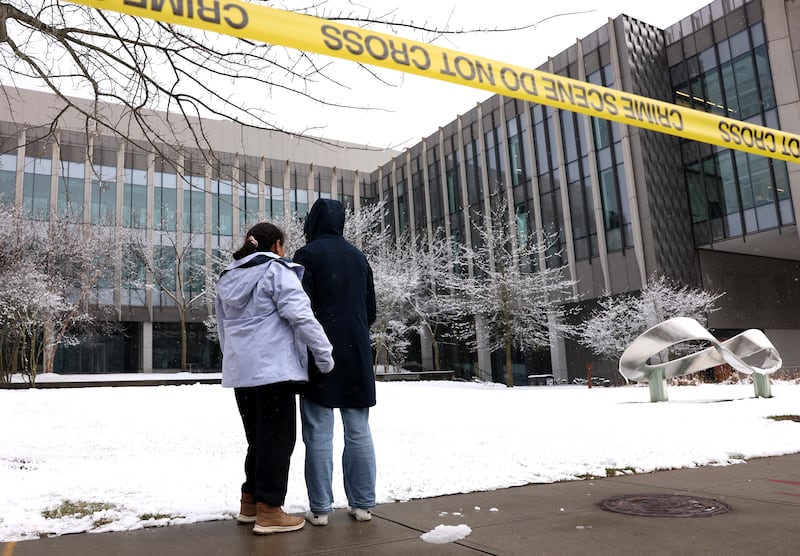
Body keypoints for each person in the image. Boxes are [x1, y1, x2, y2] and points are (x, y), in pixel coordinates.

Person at [216, 222, 334, 535]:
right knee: (278, 439)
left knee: (258, 438)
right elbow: (301, 316)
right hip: (274, 369)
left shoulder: (228, 277)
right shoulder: (276, 271)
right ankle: (270, 511)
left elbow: (223, 328)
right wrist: (324, 356)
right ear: (278, 245)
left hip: (243, 371)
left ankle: (250, 502)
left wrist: (236, 361)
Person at [293, 198, 377, 526]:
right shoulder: (358, 257)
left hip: (319, 350)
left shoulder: (306, 255)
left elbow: (300, 308)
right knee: (358, 429)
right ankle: (363, 504)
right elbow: (370, 309)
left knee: (318, 431)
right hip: (356, 350)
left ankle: (320, 508)